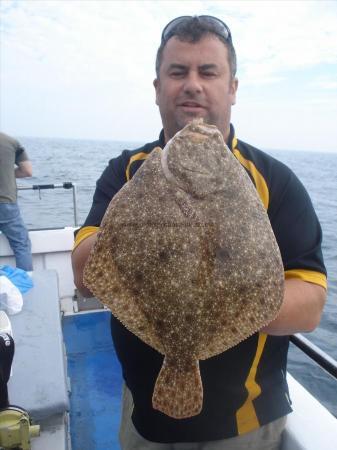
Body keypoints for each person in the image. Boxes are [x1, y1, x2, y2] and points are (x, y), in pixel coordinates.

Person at [72, 15, 327, 450]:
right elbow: (86, 273)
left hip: (242, 424)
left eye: (208, 72)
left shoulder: (274, 180)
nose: (192, 84)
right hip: (142, 414)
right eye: (178, 72)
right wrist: (141, 221)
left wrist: (224, 300)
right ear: (158, 88)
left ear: (232, 88)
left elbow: (311, 304)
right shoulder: (128, 171)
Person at [0, 132, 33, 271]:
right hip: (6, 204)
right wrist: (7, 172)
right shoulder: (11, 142)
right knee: (21, 245)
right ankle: (25, 285)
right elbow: (27, 171)